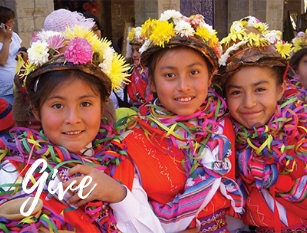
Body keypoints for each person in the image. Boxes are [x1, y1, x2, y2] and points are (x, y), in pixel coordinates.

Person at [0, 25, 165, 232]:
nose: (73, 119)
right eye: (58, 105)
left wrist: (116, 193)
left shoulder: (119, 165)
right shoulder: (14, 172)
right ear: (35, 110)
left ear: (103, 105)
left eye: (85, 104)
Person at [116, 10, 243, 233]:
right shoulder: (131, 141)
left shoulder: (228, 124)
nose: (183, 86)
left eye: (194, 72)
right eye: (169, 75)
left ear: (210, 76)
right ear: (152, 82)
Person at [215, 16, 307, 232]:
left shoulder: (300, 133)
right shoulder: (222, 144)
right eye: (236, 92)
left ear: (281, 89)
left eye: (260, 89)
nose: (249, 103)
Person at [12, 9, 117, 129]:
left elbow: (20, 119)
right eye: (57, 105)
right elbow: (109, 119)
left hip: (42, 140)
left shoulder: (24, 73)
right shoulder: (91, 68)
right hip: (82, 139)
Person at [81, 11, 130, 109]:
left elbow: (122, 78)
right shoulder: (78, 56)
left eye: (96, 29)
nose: (94, 34)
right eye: (89, 31)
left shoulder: (112, 48)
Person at [0, 6, 25, 105]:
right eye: (10, 22)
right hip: (5, 92)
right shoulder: (9, 36)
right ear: (2, 25)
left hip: (20, 86)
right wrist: (6, 39)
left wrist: (23, 53)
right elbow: (2, 61)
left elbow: (23, 49)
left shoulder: (14, 36)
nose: (13, 23)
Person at [125, 26, 152, 108]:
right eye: (132, 50)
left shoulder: (152, 71)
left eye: (138, 50)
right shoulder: (130, 70)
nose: (134, 55)